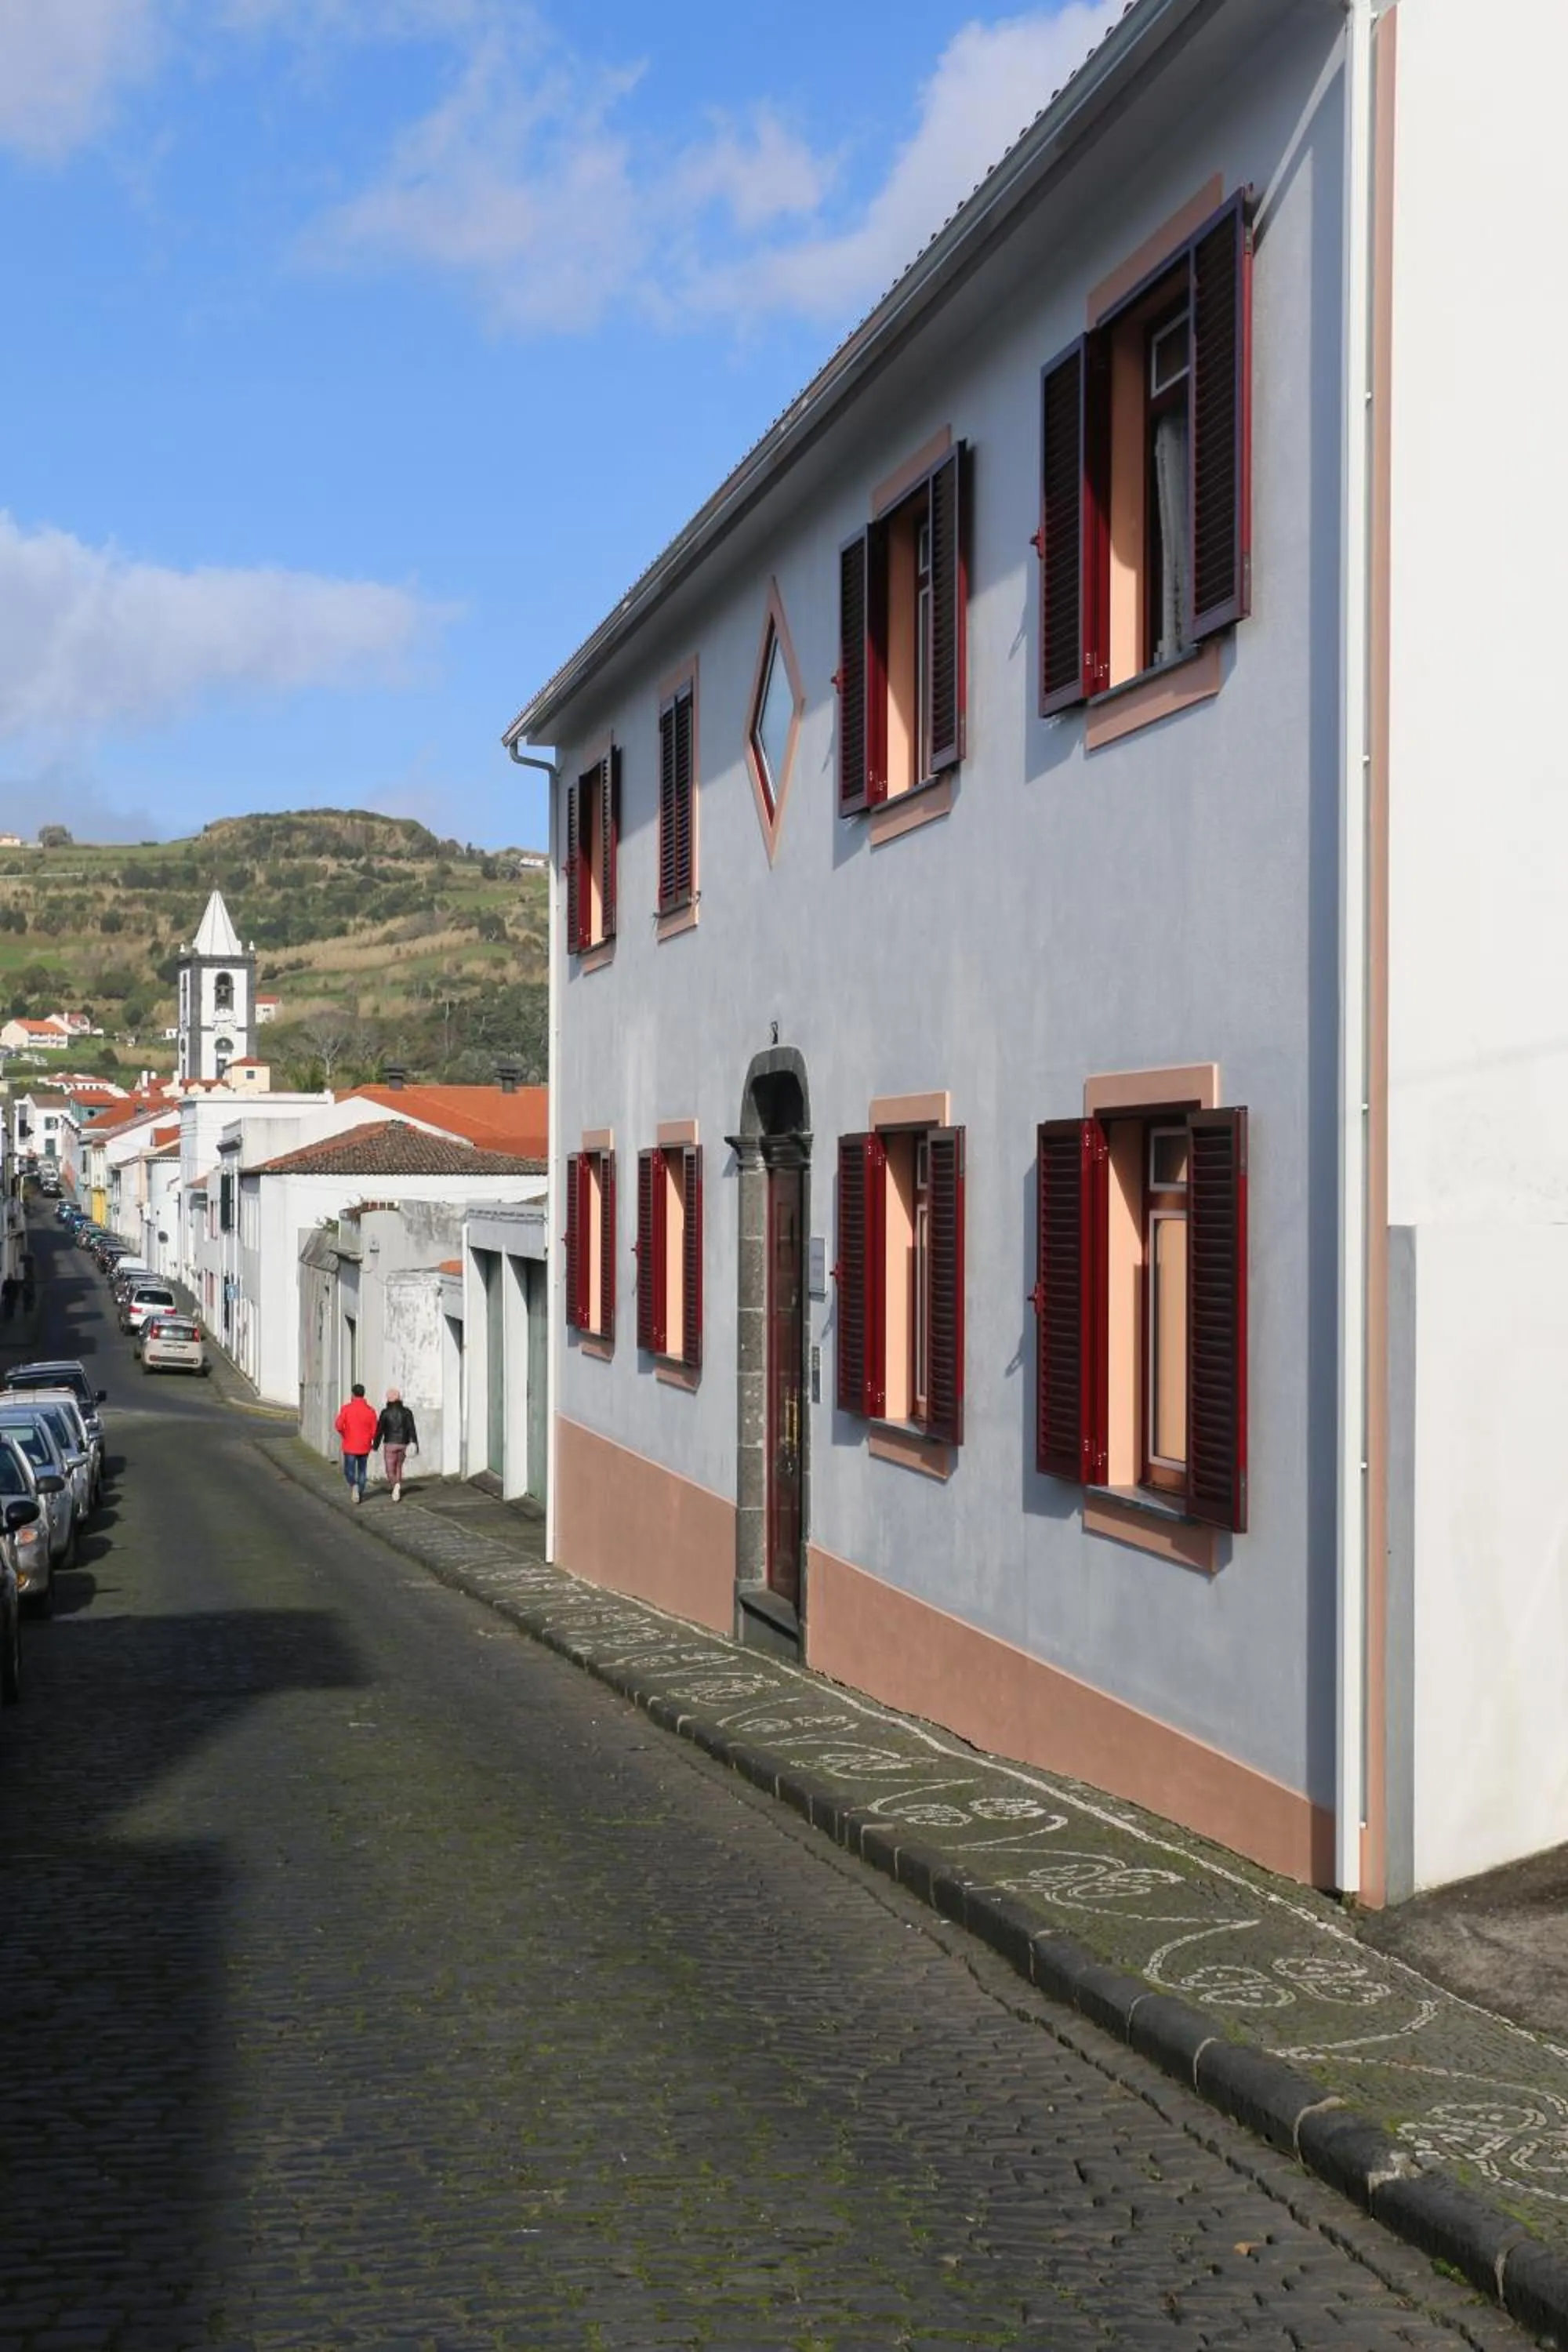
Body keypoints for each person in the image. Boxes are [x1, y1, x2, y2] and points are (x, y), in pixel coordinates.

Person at [333, 1381, 377, 1504]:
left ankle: (354, 1485)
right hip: (365, 1445)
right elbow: (375, 1430)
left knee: (349, 1471)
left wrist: (344, 1434)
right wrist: (372, 1441)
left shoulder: (346, 1409)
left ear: (353, 1394)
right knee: (362, 1470)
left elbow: (338, 1425)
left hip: (350, 1445)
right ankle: (360, 1492)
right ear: (363, 1395)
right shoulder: (371, 1411)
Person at [373, 1388, 419, 1501]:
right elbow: (412, 1429)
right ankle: (397, 1487)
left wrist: (375, 1445)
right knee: (399, 1467)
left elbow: (379, 1430)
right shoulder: (407, 1412)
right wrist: (415, 1443)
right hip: (403, 1443)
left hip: (390, 1443)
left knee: (390, 1470)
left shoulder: (385, 1412)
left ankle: (395, 1486)